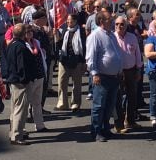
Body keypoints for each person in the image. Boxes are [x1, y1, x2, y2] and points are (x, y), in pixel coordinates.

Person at [85, 11, 122, 142]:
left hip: (113, 76)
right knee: (99, 105)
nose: (111, 21)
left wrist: (119, 68)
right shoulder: (95, 36)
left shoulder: (111, 35)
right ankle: (96, 131)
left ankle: (106, 128)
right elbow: (90, 57)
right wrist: (94, 73)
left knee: (109, 105)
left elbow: (116, 53)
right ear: (101, 21)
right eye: (108, 19)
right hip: (102, 76)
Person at [113, 15, 142, 133]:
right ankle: (118, 125)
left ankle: (130, 121)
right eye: (117, 24)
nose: (119, 26)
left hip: (131, 71)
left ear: (126, 25)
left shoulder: (132, 37)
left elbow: (138, 54)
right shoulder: (112, 37)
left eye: (122, 24)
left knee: (132, 97)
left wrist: (139, 69)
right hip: (117, 72)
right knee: (118, 99)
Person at [56, 14, 86, 112]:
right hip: (64, 59)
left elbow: (84, 47)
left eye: (71, 21)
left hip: (76, 59)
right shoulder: (65, 30)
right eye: (67, 21)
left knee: (76, 83)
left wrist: (83, 62)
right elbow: (60, 46)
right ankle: (62, 103)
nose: (68, 22)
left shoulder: (81, 31)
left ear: (75, 21)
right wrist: (57, 37)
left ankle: (75, 103)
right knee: (62, 82)